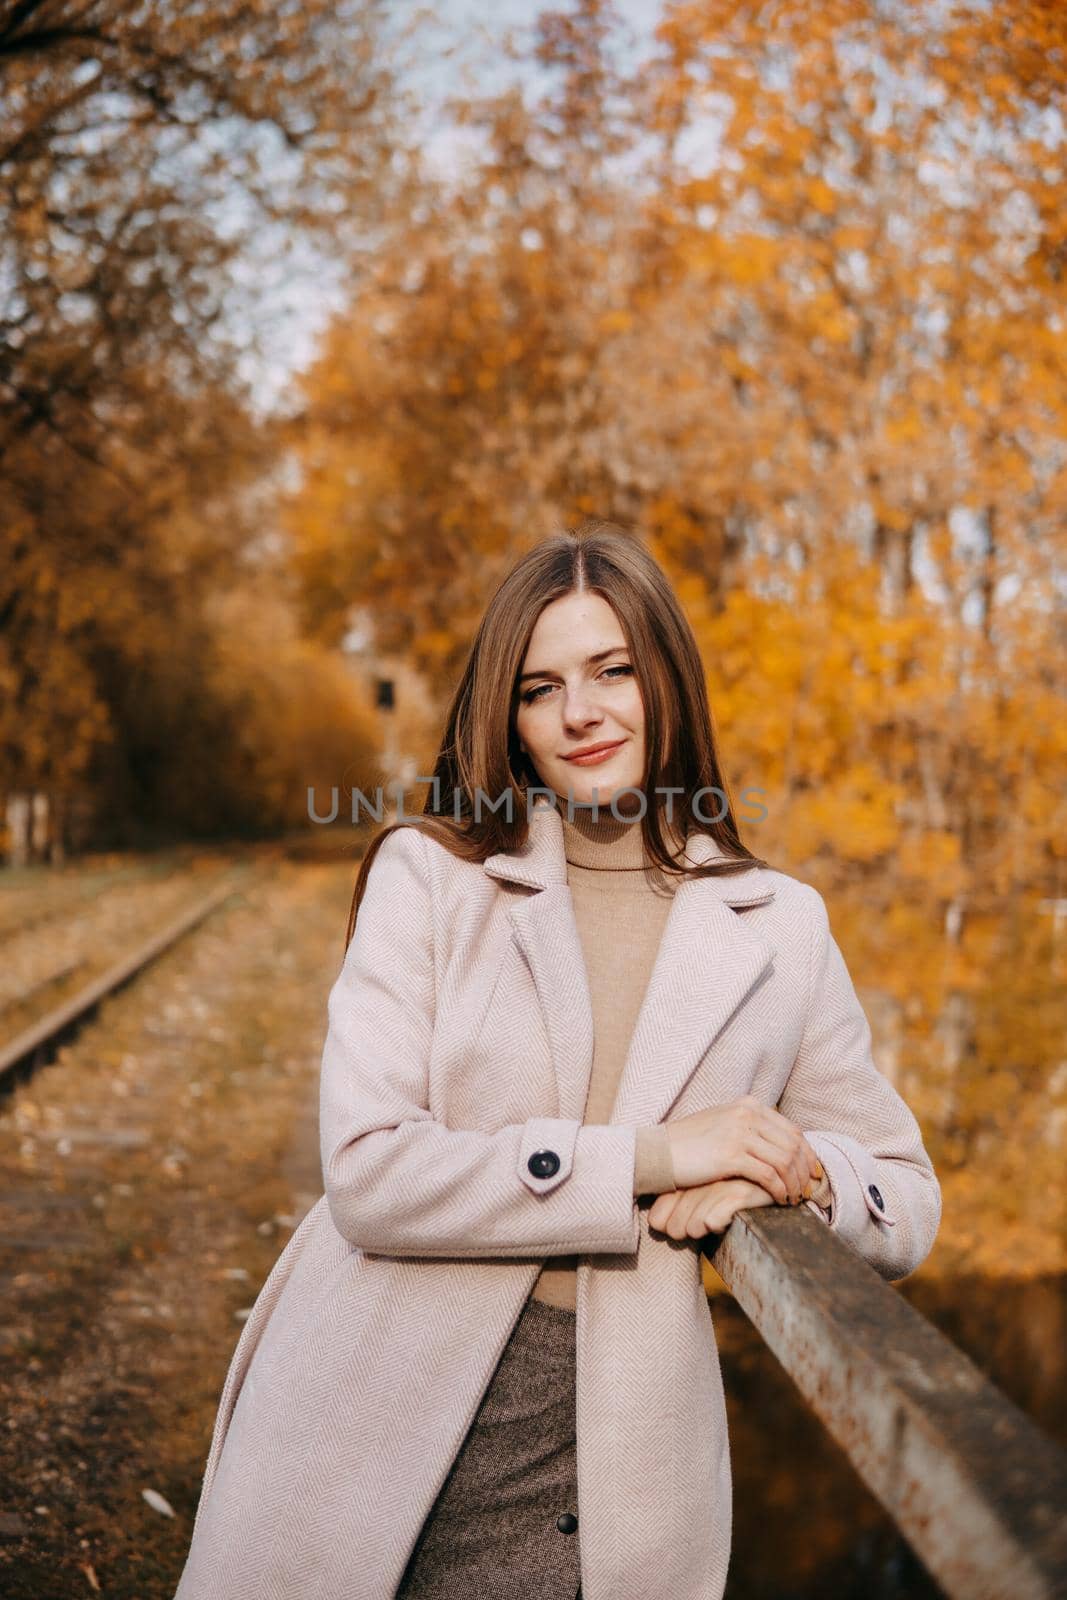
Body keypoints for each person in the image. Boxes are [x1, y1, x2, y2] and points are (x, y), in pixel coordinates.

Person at [173, 519, 941, 1600]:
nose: (578, 713)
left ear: (664, 677)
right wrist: (658, 1152)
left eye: (611, 670)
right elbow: (370, 1171)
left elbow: (904, 1197)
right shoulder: (430, 878)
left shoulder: (779, 925)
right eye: (539, 688)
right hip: (372, 1411)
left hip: (613, 1462)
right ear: (511, 719)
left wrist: (790, 1165)